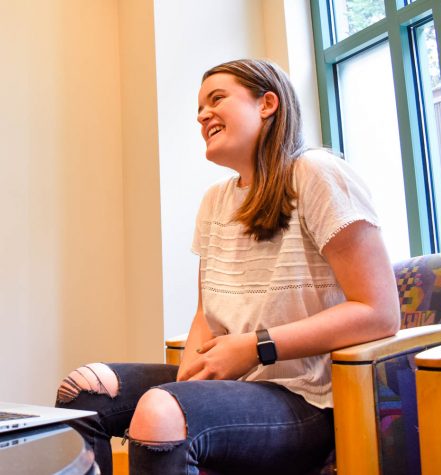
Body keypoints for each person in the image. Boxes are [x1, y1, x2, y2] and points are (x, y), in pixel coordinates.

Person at [56, 58, 400, 475]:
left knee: (161, 412)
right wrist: (188, 378)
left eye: (216, 99)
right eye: (199, 108)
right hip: (240, 387)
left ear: (267, 103)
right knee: (84, 389)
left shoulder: (318, 174)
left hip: (310, 399)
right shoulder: (215, 201)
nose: (202, 115)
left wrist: (257, 345)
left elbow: (379, 312)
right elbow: (207, 313)